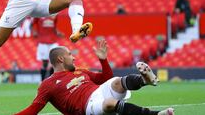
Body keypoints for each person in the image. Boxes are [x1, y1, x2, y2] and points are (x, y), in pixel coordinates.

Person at [15, 39, 174, 115]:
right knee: (109, 103)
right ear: (61, 59)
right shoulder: (48, 84)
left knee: (117, 81)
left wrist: (103, 59)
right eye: (70, 55)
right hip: (86, 108)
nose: (74, 57)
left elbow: (106, 78)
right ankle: (155, 114)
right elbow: (33, 109)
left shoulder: (79, 71)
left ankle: (144, 80)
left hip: (98, 91)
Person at [32, 15, 63, 81]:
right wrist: (34, 31)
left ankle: (51, 81)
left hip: (53, 41)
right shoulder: (39, 13)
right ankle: (42, 81)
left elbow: (55, 26)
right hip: (43, 42)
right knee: (45, 63)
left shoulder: (55, 14)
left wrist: (58, 32)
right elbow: (33, 23)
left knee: (54, 61)